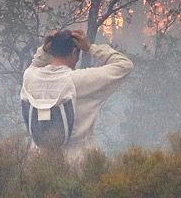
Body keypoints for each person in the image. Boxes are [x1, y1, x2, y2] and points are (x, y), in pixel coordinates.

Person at [20, 28, 133, 164]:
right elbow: (124, 65)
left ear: (51, 50)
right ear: (75, 52)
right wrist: (91, 48)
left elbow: (34, 65)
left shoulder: (30, 77)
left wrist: (43, 51)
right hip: (76, 164)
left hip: (37, 164)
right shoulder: (78, 80)